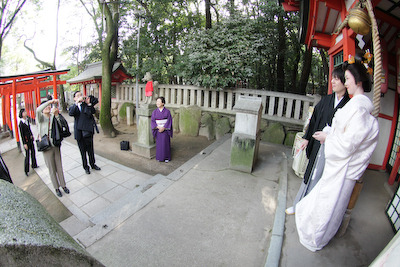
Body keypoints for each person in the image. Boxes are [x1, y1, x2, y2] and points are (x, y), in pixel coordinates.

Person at [295, 58, 379, 252]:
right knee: (323, 200)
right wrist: (326, 135)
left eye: (347, 78)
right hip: (338, 163)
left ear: (357, 81)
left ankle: (318, 236)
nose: (345, 82)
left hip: (342, 167)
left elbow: (348, 144)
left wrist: (328, 137)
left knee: (329, 205)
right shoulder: (353, 106)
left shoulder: (358, 108)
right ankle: (318, 231)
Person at [286, 67, 350, 215]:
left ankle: (312, 212)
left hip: (333, 149)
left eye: (336, 78)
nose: (332, 81)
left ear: (345, 82)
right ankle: (298, 205)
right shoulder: (326, 100)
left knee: (324, 181)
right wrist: (307, 138)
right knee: (309, 175)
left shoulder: (349, 105)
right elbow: (314, 120)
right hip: (317, 146)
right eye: (332, 78)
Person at [36, 99, 69, 197]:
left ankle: (63, 185)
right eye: (45, 106)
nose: (47, 107)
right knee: (51, 168)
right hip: (46, 147)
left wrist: (56, 115)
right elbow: (38, 110)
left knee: (59, 166)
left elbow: (60, 126)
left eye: (49, 106)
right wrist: (49, 102)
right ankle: (56, 187)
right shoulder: (40, 118)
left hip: (55, 145)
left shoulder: (52, 116)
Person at [69, 91, 101, 174]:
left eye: (81, 95)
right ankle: (85, 167)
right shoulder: (74, 106)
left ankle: (93, 164)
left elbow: (92, 112)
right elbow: (71, 113)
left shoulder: (86, 105)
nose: (80, 97)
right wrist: (76, 103)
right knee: (82, 151)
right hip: (79, 132)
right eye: (78, 95)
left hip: (87, 131)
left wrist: (89, 104)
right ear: (74, 98)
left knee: (90, 149)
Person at [151, 96, 173, 162]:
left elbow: (169, 120)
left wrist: (164, 127)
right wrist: (158, 127)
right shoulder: (154, 112)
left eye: (158, 102)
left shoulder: (167, 112)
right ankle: (159, 157)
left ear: (163, 103)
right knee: (159, 145)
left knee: (165, 144)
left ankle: (166, 158)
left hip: (165, 130)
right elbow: (153, 121)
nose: (157, 103)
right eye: (157, 102)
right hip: (158, 130)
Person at [19, 108, 38, 176]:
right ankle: (26, 170)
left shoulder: (27, 120)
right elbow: (22, 134)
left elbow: (29, 130)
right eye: (24, 112)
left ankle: (34, 164)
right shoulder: (21, 123)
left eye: (25, 112)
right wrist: (24, 143)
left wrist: (32, 135)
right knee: (27, 155)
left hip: (30, 139)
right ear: (21, 114)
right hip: (26, 141)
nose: (25, 113)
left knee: (33, 152)